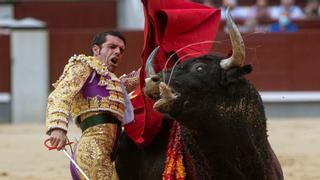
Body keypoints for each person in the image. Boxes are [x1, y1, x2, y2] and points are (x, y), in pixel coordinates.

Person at [45, 31, 138, 180]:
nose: (118, 52)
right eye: (112, 46)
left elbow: (126, 84)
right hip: (91, 152)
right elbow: (60, 94)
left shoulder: (112, 80)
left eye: (121, 50)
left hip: (109, 153)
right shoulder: (83, 66)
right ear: (96, 50)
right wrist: (57, 127)